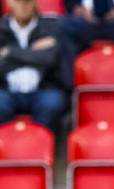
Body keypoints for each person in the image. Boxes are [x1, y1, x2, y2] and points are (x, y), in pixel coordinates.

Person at [0, 0, 66, 132]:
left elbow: (50, 59)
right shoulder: (1, 28)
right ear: (10, 3)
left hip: (42, 89)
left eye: (27, 2)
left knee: (52, 102)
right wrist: (34, 54)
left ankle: (39, 147)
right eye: (18, 2)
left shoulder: (51, 27)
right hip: (7, 90)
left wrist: (10, 52)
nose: (23, 7)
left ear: (35, 3)